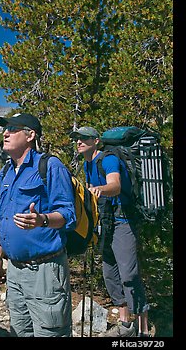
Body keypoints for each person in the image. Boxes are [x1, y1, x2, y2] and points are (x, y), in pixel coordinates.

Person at [0, 113, 76, 337]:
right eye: (5, 129)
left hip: (44, 272)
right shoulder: (6, 172)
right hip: (15, 271)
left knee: (50, 332)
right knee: (19, 331)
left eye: (13, 129)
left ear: (30, 135)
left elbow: (68, 214)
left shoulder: (50, 166)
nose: (5, 133)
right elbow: (5, 219)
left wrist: (43, 220)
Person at [70, 126, 150, 337]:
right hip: (105, 222)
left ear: (96, 140)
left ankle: (143, 329)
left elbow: (114, 185)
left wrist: (100, 189)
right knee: (110, 273)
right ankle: (125, 325)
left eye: (84, 138)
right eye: (77, 139)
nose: (79, 142)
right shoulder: (87, 163)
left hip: (123, 220)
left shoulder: (108, 159)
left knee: (129, 275)